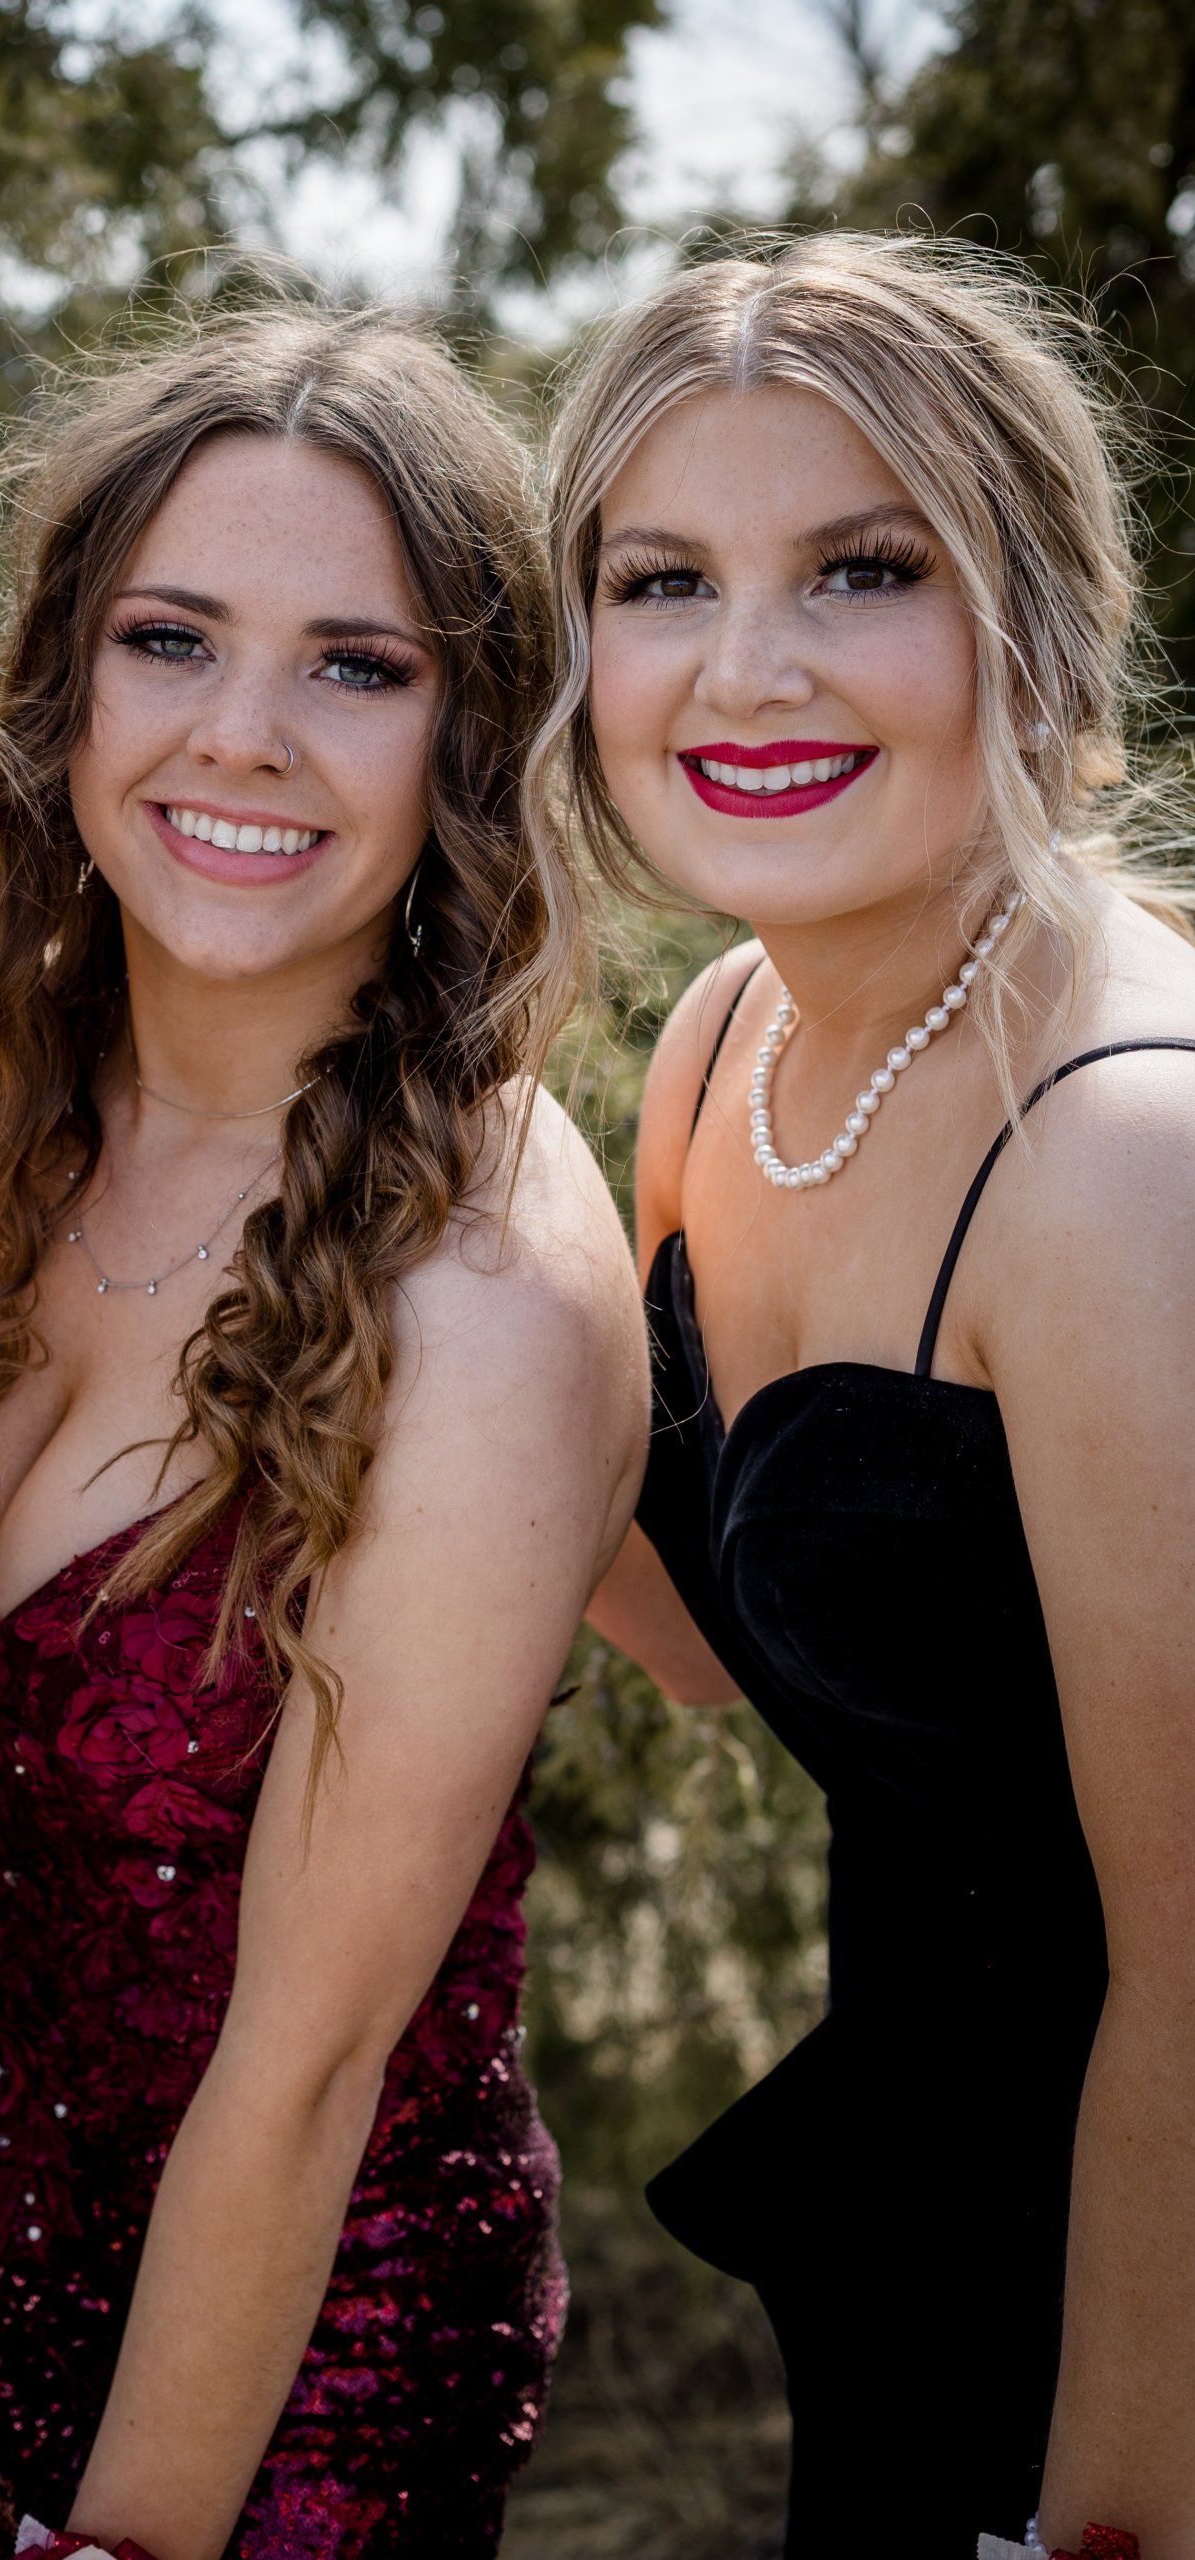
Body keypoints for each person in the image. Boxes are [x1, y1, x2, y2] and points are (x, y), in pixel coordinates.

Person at [0, 303, 648, 2560]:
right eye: (173, 637)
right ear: (65, 681)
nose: (245, 734)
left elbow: (308, 2063)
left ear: (467, 736)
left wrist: (113, 2545)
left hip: (287, 2381)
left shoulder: (488, 1298)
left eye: (358, 665)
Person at [558, 233, 1195, 2556]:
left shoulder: (1125, 1158)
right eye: (662, 581)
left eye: (863, 567)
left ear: (1035, 616)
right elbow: (717, 1640)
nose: (749, 666)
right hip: (922, 2239)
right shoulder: (728, 1040)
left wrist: (1096, 2520)